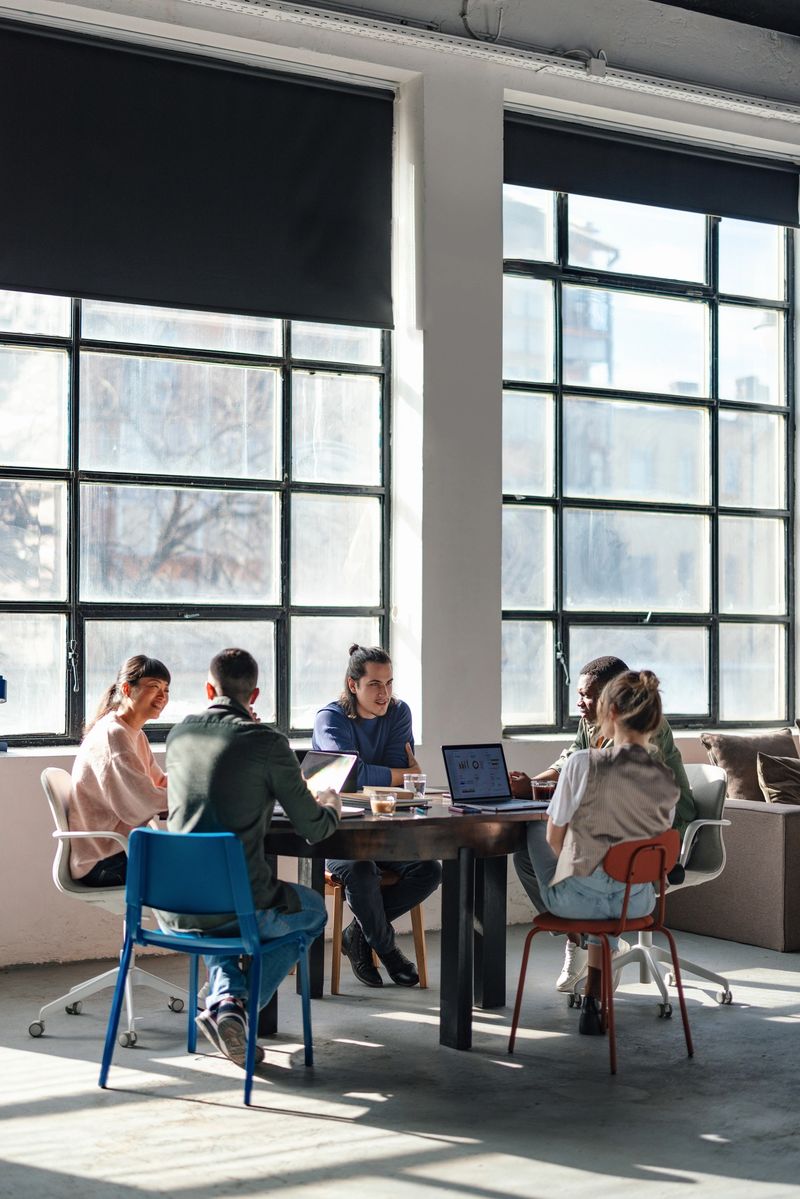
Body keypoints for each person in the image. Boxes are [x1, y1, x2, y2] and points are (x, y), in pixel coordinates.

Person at [165, 648, 341, 1068]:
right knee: (314, 910)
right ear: (255, 694)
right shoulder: (267, 743)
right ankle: (236, 1009)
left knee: (221, 919)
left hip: (175, 903)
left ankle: (224, 1002)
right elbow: (314, 828)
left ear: (210, 689)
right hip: (238, 902)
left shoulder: (178, 735)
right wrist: (329, 803)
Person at [511, 654, 696, 994]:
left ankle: (589, 939)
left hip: (637, 842)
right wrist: (533, 784)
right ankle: (585, 942)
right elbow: (572, 757)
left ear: (612, 703)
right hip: (639, 898)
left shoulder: (629, 741)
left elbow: (614, 795)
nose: (580, 703)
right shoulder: (659, 778)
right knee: (528, 855)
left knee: (534, 828)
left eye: (588, 696)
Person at [312, 644, 442, 989]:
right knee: (360, 869)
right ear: (353, 684)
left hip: (382, 832)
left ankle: (358, 935)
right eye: (374, 684)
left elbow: (373, 773)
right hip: (334, 833)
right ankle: (387, 951)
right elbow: (353, 775)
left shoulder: (398, 713)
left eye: (388, 683)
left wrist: (383, 772)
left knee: (429, 869)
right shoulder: (331, 718)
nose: (384, 693)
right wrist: (399, 773)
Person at [69, 655, 171, 887]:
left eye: (166, 689)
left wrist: (196, 784)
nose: (162, 696)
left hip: (119, 850)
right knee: (207, 864)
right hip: (104, 860)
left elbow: (158, 783)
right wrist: (198, 796)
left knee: (206, 861)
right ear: (127, 689)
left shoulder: (133, 733)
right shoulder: (114, 734)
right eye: (154, 687)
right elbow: (143, 801)